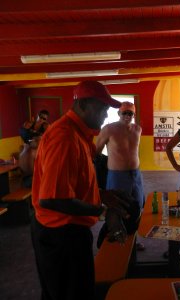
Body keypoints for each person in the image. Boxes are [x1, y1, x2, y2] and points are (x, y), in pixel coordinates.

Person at [31, 80, 130, 300]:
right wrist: (103, 212)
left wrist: (102, 194)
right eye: (103, 108)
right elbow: (52, 199)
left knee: (71, 290)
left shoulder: (78, 134)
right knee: (70, 294)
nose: (106, 115)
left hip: (69, 230)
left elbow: (74, 184)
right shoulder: (65, 137)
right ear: (84, 104)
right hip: (61, 235)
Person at [96, 101, 145, 249]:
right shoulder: (109, 129)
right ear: (118, 113)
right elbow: (96, 151)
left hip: (135, 174)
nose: (127, 115)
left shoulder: (138, 129)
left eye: (130, 113)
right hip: (117, 175)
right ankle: (113, 241)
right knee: (117, 209)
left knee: (136, 208)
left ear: (134, 115)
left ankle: (133, 241)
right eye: (124, 112)